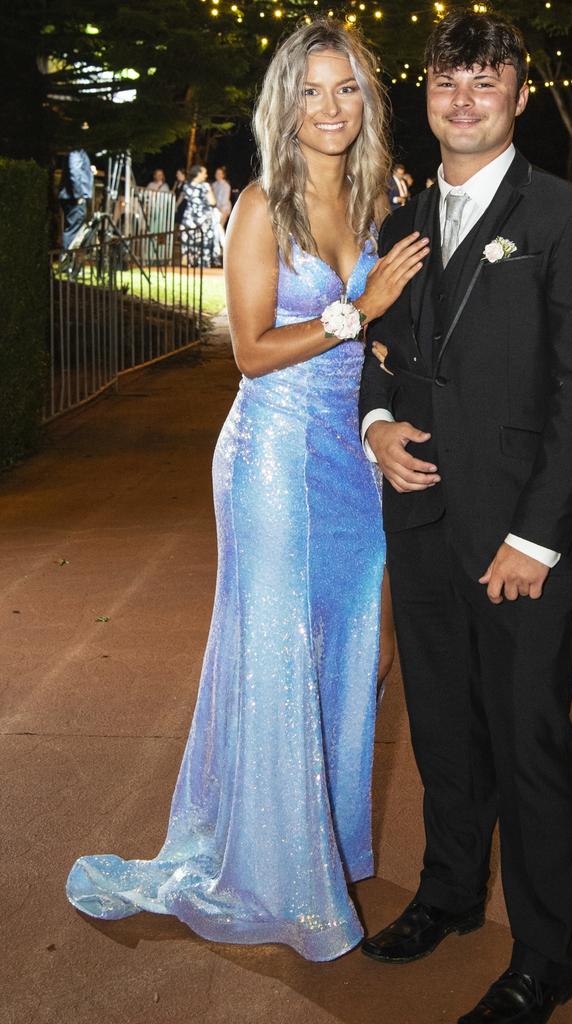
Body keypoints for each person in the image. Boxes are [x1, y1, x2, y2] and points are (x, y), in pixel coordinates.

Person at [66, 19, 428, 962]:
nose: (330, 108)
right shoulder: (263, 206)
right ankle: (272, 871)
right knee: (274, 649)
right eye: (310, 91)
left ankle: (324, 842)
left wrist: (389, 343)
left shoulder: (379, 197)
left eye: (346, 88)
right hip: (270, 454)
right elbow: (253, 351)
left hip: (349, 460)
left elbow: (387, 342)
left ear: (368, 100)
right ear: (285, 104)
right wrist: (361, 312)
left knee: (350, 646)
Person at [358, 10, 572, 1024]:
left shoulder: (569, 215)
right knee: (442, 727)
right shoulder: (401, 220)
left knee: (530, 739)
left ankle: (549, 952)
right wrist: (378, 424)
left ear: (519, 96)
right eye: (446, 83)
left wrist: (537, 538)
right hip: (422, 524)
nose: (463, 99)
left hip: (527, 538)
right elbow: (378, 357)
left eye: (486, 82)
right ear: (425, 98)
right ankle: (449, 892)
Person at [179, 164, 218, 267]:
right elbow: (213, 202)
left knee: (188, 243)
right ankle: (204, 266)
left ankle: (188, 266)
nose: (206, 175)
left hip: (189, 219)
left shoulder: (187, 186)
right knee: (204, 244)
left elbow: (184, 198)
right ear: (199, 173)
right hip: (202, 220)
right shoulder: (205, 186)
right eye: (204, 173)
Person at [59, 148, 93, 248]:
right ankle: (67, 260)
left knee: (72, 229)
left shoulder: (74, 151)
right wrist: (79, 195)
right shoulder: (76, 151)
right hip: (74, 198)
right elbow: (74, 170)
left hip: (70, 196)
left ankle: (68, 259)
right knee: (73, 231)